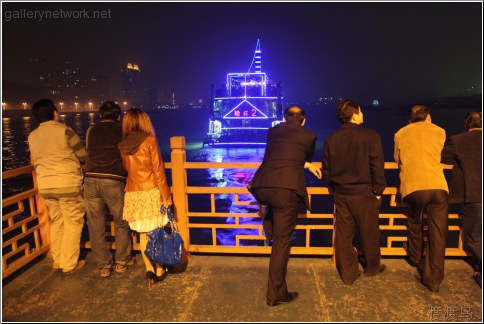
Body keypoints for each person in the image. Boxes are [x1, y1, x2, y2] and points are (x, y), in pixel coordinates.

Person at [249, 106, 321, 307]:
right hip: (285, 189)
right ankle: (275, 295)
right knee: (282, 245)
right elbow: (301, 156)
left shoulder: (273, 131)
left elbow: (282, 152)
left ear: (284, 118)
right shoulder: (309, 135)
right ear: (303, 120)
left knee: (271, 206)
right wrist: (308, 165)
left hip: (262, 185)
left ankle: (269, 228)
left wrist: (305, 164)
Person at [322, 99, 387, 285]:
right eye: (360, 111)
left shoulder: (331, 139)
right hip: (365, 192)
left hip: (342, 193)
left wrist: (333, 188)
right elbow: (377, 165)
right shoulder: (371, 136)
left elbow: (327, 169)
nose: (363, 115)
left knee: (344, 234)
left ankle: (348, 274)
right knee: (370, 231)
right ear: (354, 114)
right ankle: (372, 268)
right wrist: (378, 190)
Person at [28, 98, 87, 275]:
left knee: (58, 222)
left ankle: (58, 259)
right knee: (73, 223)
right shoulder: (65, 131)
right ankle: (68, 264)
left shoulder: (32, 136)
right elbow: (83, 155)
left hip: (45, 186)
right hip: (67, 184)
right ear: (54, 113)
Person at [394, 104, 449, 293]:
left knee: (414, 221)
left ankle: (415, 256)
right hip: (438, 186)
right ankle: (433, 280)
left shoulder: (401, 133)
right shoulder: (440, 131)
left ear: (410, 120)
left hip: (414, 187)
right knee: (438, 233)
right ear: (428, 117)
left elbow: (397, 159)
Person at [118, 108, 172, 289]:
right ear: (144, 122)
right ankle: (159, 269)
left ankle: (148, 269)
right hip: (150, 192)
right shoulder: (149, 141)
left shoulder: (123, 145)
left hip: (132, 194)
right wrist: (167, 197)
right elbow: (158, 171)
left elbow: (127, 170)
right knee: (156, 233)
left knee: (142, 235)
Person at [84, 101, 134, 278]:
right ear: (118, 115)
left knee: (95, 225)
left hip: (90, 178)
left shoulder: (91, 130)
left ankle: (104, 265)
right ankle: (122, 261)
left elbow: (87, 151)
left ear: (100, 115)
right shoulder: (122, 129)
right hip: (113, 179)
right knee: (121, 221)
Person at [441, 112, 482, 288]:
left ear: (466, 124)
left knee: (474, 238)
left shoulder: (458, 140)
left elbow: (441, 156)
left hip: (475, 195)